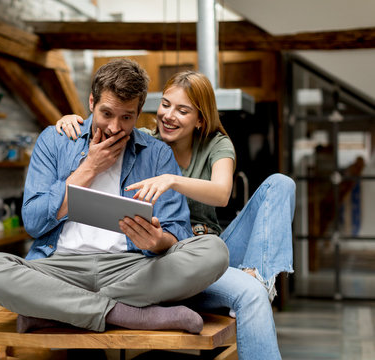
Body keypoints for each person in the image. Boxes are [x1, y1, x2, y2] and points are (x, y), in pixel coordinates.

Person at [0, 59, 229, 335]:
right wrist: (89, 168)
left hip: (131, 269)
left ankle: (57, 311)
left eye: (127, 117)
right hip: (59, 268)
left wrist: (158, 242)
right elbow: (33, 223)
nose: (115, 127)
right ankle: (127, 314)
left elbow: (176, 229)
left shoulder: (157, 154)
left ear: (139, 112)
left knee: (214, 251)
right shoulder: (55, 140)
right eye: (107, 113)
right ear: (92, 102)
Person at [56, 70, 296, 359]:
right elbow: (108, 120)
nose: (169, 115)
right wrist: (73, 119)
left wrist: (172, 179)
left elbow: (221, 194)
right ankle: (250, 288)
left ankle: (258, 280)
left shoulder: (216, 144)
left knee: (281, 184)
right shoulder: (144, 139)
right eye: (166, 104)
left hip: (213, 248)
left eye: (182, 110)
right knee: (247, 294)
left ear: (200, 120)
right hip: (169, 256)